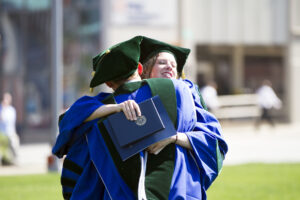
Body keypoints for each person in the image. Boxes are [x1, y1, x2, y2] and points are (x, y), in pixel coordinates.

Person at [53, 36, 227, 200]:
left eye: (174, 64)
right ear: (142, 69)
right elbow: (214, 144)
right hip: (176, 190)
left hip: (148, 190)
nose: (170, 67)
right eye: (162, 62)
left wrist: (173, 137)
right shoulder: (182, 93)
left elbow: (213, 141)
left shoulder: (94, 113)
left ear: (108, 82)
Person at [0, 92, 19, 161]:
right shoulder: (1, 109)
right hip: (1, 134)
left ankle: (16, 160)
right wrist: (3, 109)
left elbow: (10, 122)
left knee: (14, 144)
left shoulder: (12, 110)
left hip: (10, 133)